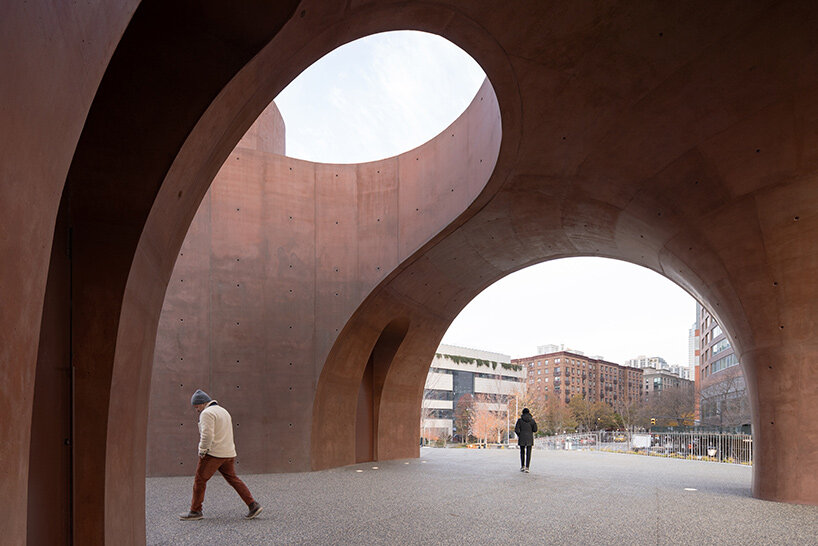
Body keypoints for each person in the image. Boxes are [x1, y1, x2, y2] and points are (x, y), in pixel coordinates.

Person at [179, 389, 263, 520]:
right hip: (228, 452)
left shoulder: (207, 413)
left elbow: (207, 435)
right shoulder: (224, 411)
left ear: (202, 403)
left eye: (196, 406)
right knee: (233, 479)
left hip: (213, 454)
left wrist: (202, 450)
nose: (196, 410)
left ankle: (195, 511)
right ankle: (253, 505)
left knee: (199, 481)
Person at [514, 407, 538, 473]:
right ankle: (527, 467)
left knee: (522, 452)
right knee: (529, 453)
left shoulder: (520, 420)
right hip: (529, 438)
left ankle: (522, 466)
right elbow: (535, 429)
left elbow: (516, 430)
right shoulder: (532, 421)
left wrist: (520, 435)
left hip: (522, 438)